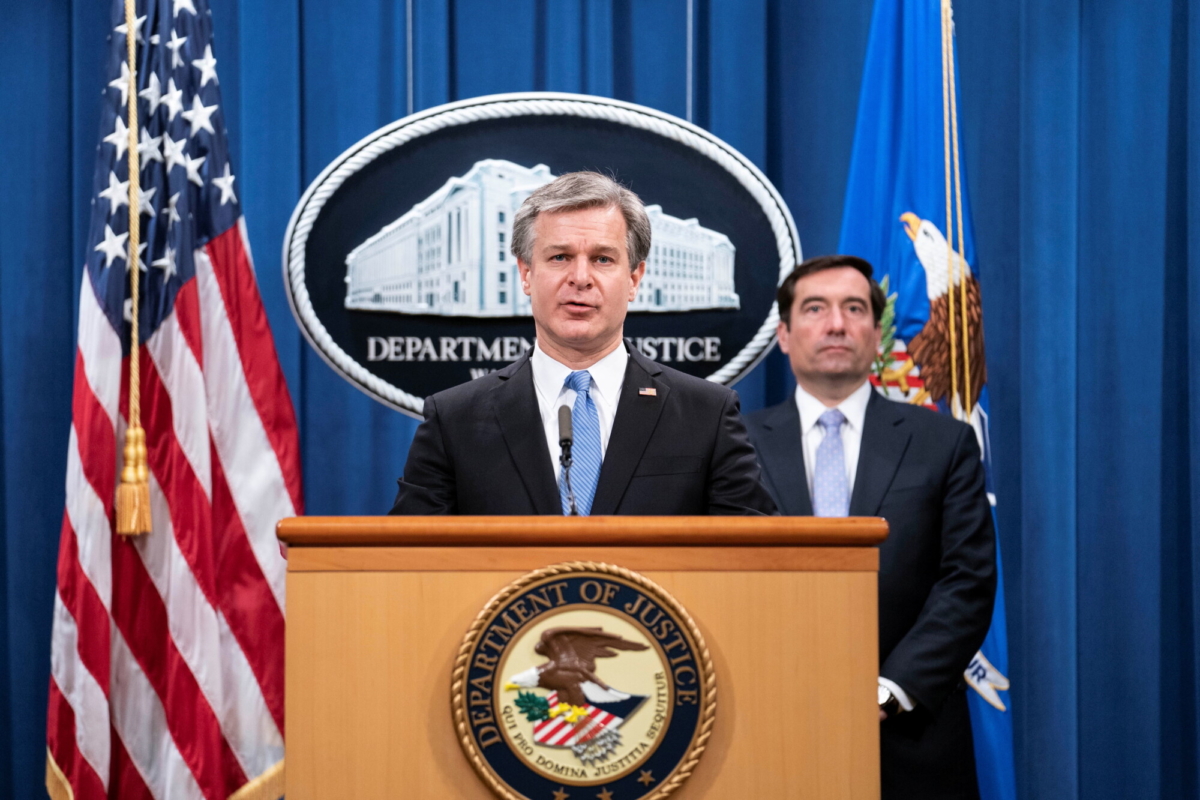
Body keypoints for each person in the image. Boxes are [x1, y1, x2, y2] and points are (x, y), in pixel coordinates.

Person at [745, 255, 995, 800]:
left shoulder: (943, 444)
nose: (836, 324)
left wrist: (887, 693)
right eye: (815, 309)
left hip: (912, 735)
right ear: (784, 336)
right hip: (767, 728)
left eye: (854, 308)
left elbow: (967, 581)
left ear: (877, 336)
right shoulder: (734, 445)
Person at [391, 171, 775, 517]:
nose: (580, 278)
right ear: (526, 274)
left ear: (634, 279)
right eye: (559, 257)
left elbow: (754, 560)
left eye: (603, 259)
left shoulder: (706, 414)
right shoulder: (454, 419)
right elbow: (408, 563)